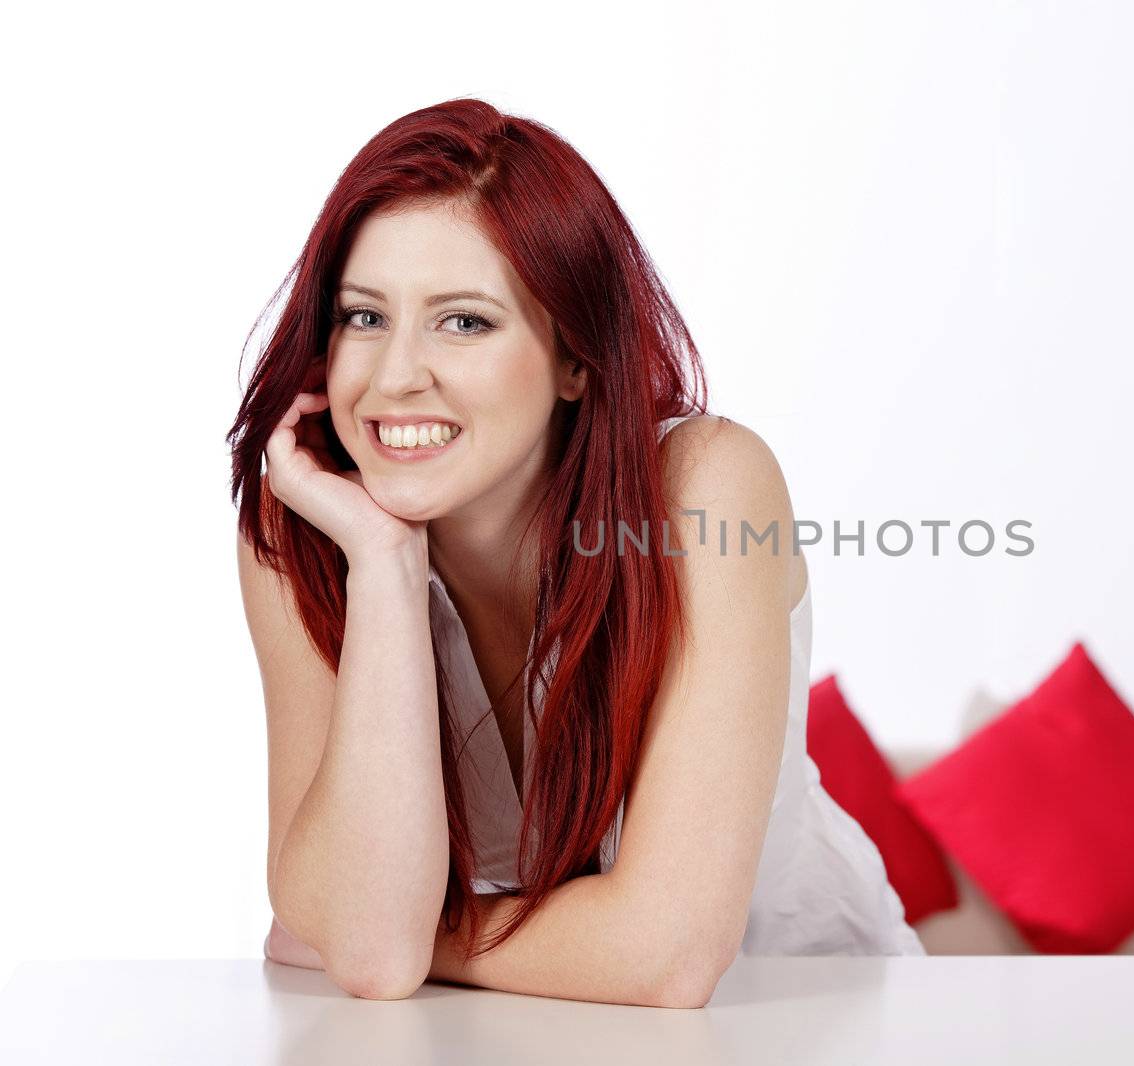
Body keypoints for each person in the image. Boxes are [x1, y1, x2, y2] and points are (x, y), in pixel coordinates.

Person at [228, 98, 924, 1007]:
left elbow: (666, 960)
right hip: (515, 1023)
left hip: (797, 1014)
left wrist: (394, 928)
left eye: (464, 321)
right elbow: (368, 953)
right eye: (363, 317)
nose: (394, 376)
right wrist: (385, 565)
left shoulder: (706, 487)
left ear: (576, 358)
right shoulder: (309, 525)